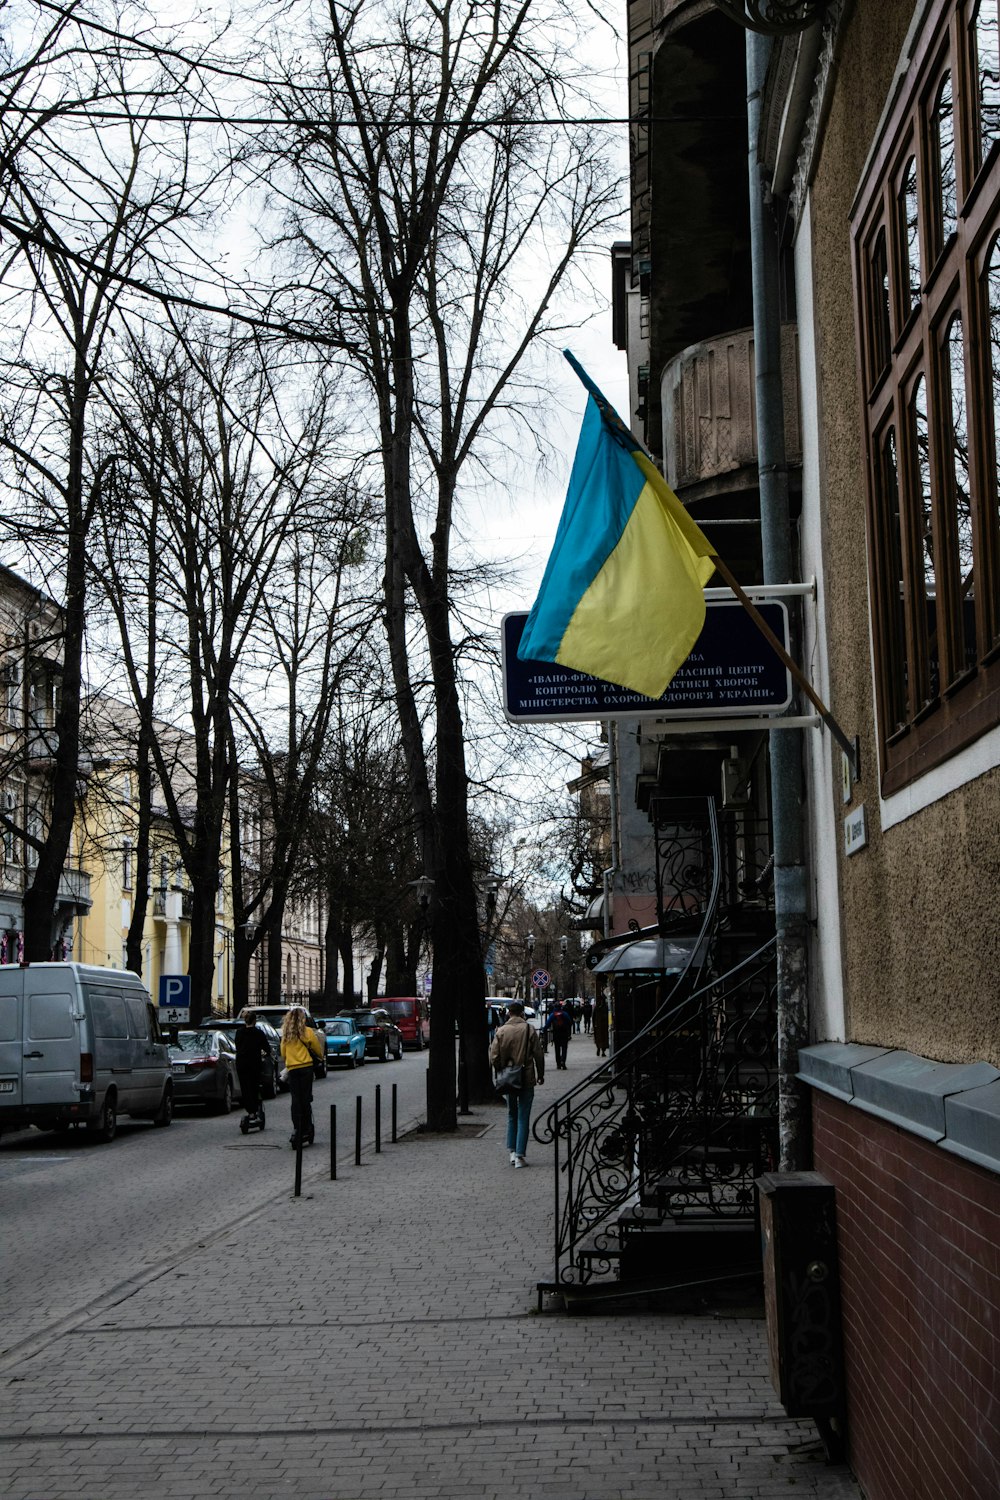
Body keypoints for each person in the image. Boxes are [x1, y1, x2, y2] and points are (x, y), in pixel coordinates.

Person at [490, 1000, 544, 1168]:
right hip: (526, 1078)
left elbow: (494, 1057)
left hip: (508, 1078)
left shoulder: (501, 1031)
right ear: (522, 1014)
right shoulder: (529, 1030)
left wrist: (502, 1070)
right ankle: (520, 1155)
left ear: (508, 1014)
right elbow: (539, 1054)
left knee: (511, 1114)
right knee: (523, 1116)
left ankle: (512, 1152)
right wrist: (540, 1074)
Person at [280, 1005, 323, 1148]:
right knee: (306, 1098)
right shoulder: (308, 1032)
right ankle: (307, 1127)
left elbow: (283, 1052)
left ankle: (297, 1126)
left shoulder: (286, 1034)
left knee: (295, 1099)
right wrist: (320, 1058)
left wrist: (290, 1059)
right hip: (306, 1068)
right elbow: (317, 1048)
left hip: (293, 1069)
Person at [235, 1008, 272, 1122]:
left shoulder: (240, 1032)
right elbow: (267, 1048)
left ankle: (250, 1110)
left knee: (245, 1087)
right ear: (254, 1021)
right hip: (254, 1063)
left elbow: (237, 1046)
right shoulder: (258, 1033)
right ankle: (255, 1109)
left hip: (241, 1063)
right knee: (254, 1086)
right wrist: (264, 1053)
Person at [545, 998, 573, 1070]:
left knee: (557, 1049)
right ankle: (563, 1061)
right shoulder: (564, 1014)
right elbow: (570, 1022)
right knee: (564, 1048)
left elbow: (547, 1024)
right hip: (564, 1033)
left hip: (556, 1033)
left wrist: (544, 1029)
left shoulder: (552, 1015)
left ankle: (558, 1064)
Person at [592, 994, 610, 1058]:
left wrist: (594, 1025)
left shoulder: (597, 1008)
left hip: (599, 1025)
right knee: (602, 1038)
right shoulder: (604, 1007)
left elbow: (593, 1017)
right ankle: (601, 1050)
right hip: (603, 1025)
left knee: (599, 1038)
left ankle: (600, 1049)